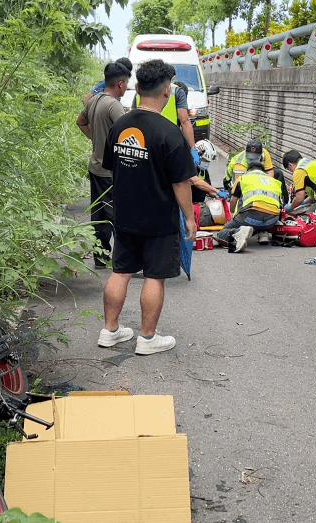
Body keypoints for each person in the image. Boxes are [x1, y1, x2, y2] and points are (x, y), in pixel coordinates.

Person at [97, 59, 196, 355]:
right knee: (154, 276)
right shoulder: (170, 133)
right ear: (167, 91)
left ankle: (110, 330)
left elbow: (112, 167)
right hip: (158, 217)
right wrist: (190, 218)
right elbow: (181, 183)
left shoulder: (120, 126)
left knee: (121, 270)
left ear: (137, 88)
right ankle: (147, 338)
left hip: (125, 213)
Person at [76, 61, 130, 268]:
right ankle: (123, 259)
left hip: (96, 167)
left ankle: (100, 256)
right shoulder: (113, 105)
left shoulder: (93, 100)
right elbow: (127, 132)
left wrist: (96, 140)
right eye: (126, 83)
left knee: (99, 215)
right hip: (111, 170)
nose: (126, 87)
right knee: (118, 214)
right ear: (119, 83)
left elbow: (80, 122)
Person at [216, 161, 284, 253]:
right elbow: (280, 204)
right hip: (271, 221)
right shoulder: (275, 182)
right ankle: (263, 232)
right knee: (262, 216)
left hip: (250, 217)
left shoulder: (242, 179)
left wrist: (234, 217)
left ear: (247, 170)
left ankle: (239, 231)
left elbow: (233, 202)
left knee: (222, 233)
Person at [131, 64, 197, 150]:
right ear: (173, 78)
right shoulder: (178, 91)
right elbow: (184, 120)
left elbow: (132, 114)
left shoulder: (141, 91)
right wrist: (193, 148)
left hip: (144, 138)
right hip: (170, 138)